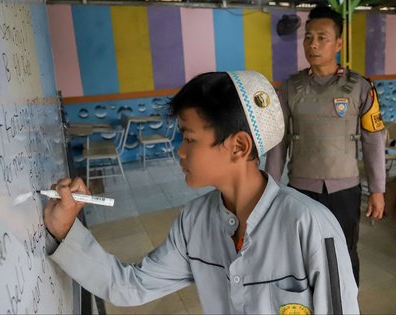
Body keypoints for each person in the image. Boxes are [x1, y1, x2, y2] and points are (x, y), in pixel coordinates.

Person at [44, 71, 359, 314]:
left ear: (238, 146)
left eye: (189, 139)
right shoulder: (193, 222)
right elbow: (130, 286)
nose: (180, 152)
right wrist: (66, 229)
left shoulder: (311, 225)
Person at [265, 5, 386, 286]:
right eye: (308, 37)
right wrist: (269, 189)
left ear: (339, 43)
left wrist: (378, 190)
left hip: (344, 190)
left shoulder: (360, 87)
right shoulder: (290, 87)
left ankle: (346, 301)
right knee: (301, 253)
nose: (313, 44)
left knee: (345, 251)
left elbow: (373, 140)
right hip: (301, 189)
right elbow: (278, 142)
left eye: (322, 37)